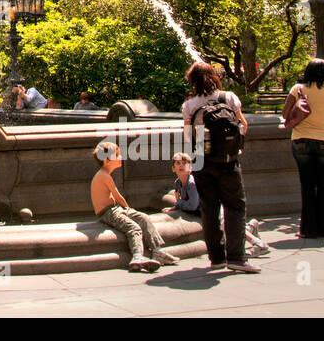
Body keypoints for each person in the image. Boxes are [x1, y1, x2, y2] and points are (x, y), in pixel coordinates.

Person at [182, 61, 260, 273]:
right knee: (235, 206)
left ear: (193, 81)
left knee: (209, 208)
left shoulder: (190, 105)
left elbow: (187, 136)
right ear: (214, 76)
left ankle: (216, 257)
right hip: (228, 160)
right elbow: (243, 125)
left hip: (201, 160)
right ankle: (236, 257)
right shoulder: (229, 98)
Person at [91, 140, 178, 272]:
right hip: (108, 212)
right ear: (107, 161)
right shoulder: (103, 176)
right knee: (134, 228)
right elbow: (118, 196)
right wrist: (128, 209)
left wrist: (127, 210)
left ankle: (157, 251)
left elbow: (114, 197)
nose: (121, 157)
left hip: (115, 209)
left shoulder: (105, 174)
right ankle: (137, 257)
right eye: (117, 155)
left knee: (143, 217)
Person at [283, 60, 324, 238]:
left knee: (307, 185)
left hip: (300, 141)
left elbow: (285, 113)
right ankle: (322, 227)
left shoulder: (297, 90)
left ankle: (306, 229)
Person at [164, 151, 269, 257]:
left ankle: (259, 244)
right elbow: (182, 201)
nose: (181, 166)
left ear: (190, 168)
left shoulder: (192, 183)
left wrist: (179, 203)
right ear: (173, 168)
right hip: (206, 211)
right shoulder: (177, 183)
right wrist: (176, 206)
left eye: (184, 163)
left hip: (215, 209)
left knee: (229, 227)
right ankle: (250, 228)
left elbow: (192, 205)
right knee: (230, 229)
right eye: (178, 163)